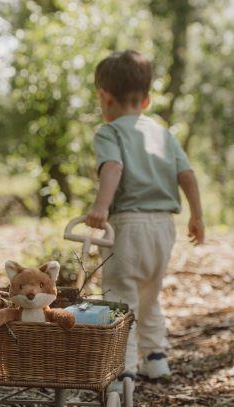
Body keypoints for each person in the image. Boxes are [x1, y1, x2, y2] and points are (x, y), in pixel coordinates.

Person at [86, 50, 204, 388]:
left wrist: (101, 207)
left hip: (128, 225)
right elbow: (187, 174)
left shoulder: (109, 132)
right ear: (147, 100)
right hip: (164, 226)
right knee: (150, 293)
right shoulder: (163, 134)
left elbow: (113, 167)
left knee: (120, 294)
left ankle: (124, 368)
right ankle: (156, 359)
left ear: (104, 97)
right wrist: (196, 215)